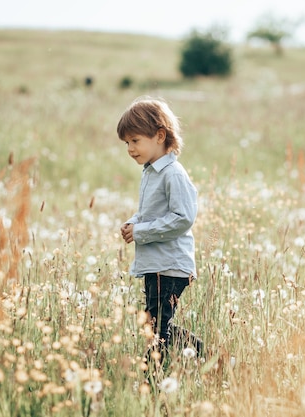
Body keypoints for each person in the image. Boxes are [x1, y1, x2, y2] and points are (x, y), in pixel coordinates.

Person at [117, 96, 203, 371]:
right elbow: (152, 213)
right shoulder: (151, 172)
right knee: (154, 323)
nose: (130, 149)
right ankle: (205, 355)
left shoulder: (173, 174)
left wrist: (140, 232)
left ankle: (152, 380)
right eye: (127, 143)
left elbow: (182, 218)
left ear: (160, 135)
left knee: (155, 328)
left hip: (170, 266)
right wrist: (133, 223)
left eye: (135, 141)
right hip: (156, 264)